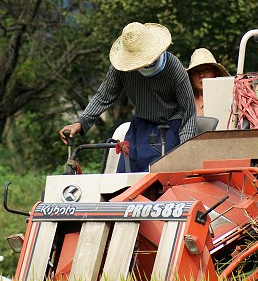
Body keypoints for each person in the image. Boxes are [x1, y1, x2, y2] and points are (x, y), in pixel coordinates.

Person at [59, 22, 196, 172]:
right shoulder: (122, 67)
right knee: (124, 181)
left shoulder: (174, 68)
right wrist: (80, 123)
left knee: (155, 182)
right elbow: (103, 96)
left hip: (170, 128)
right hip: (140, 128)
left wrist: (186, 151)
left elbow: (188, 114)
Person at [187, 48, 230, 117]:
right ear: (191, 77)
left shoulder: (230, 99)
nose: (201, 75)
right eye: (196, 72)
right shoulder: (185, 103)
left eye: (206, 70)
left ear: (216, 73)